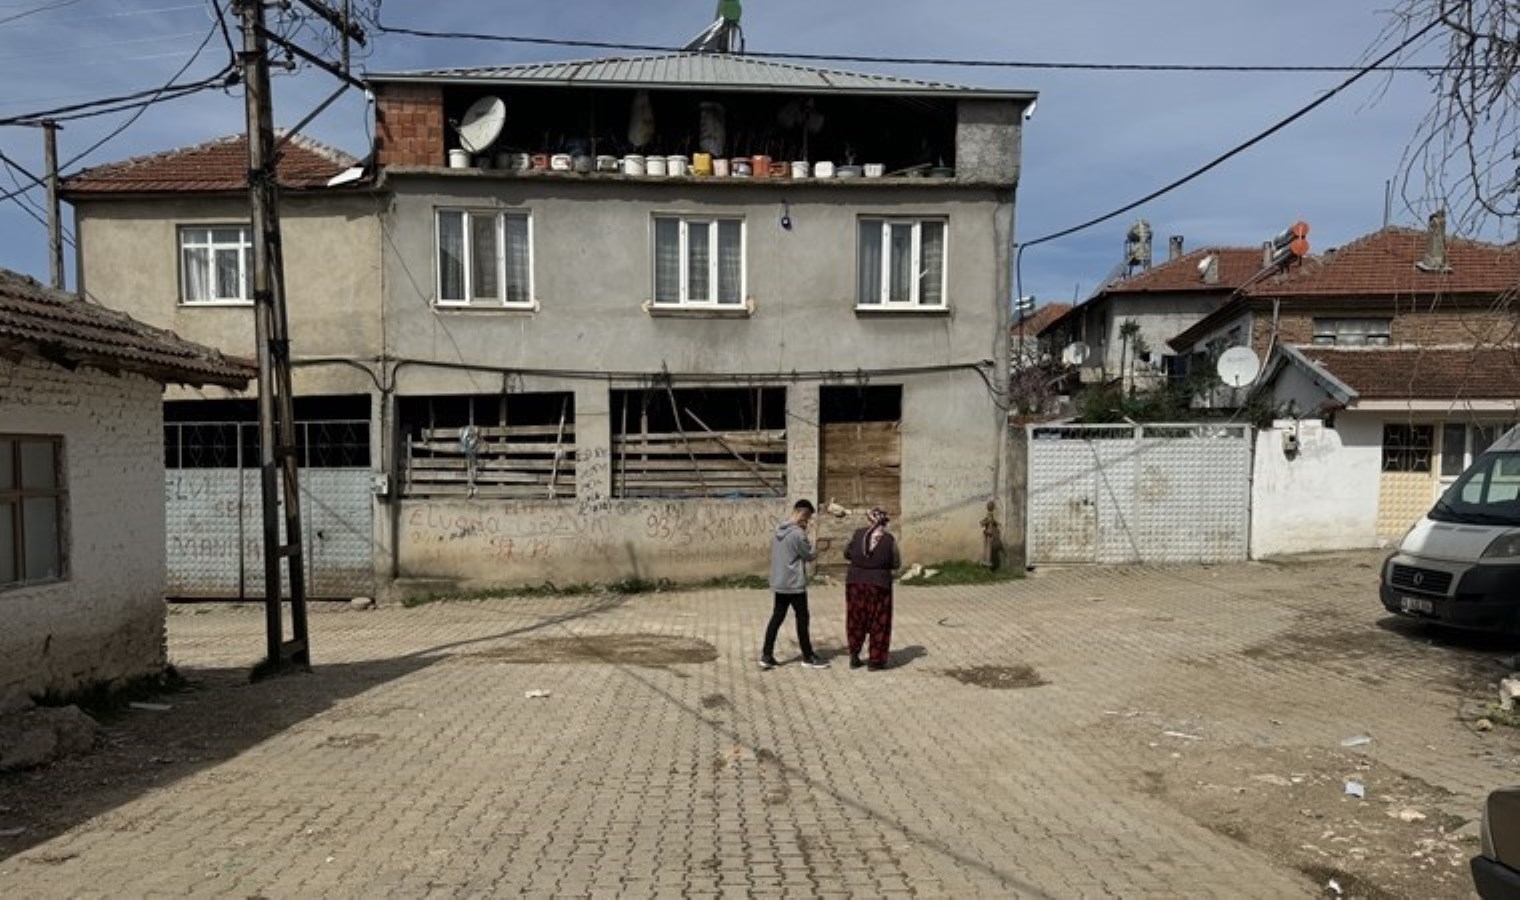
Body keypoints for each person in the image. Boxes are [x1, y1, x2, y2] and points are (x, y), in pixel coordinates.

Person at [761, 499, 830, 670]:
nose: (807, 521)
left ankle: (766, 655)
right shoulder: (798, 534)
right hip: (794, 584)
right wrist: (817, 547)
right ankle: (807, 657)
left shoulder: (779, 529)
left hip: (780, 582)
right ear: (803, 513)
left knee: (777, 617)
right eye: (807, 518)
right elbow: (809, 555)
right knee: (802, 618)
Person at [844, 507, 900, 671]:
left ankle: (854, 656)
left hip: (855, 582)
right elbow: (896, 562)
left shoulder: (857, 534)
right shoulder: (889, 539)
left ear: (869, 520)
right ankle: (875, 661)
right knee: (879, 621)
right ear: (884, 522)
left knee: (856, 619)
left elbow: (846, 553)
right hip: (879, 585)